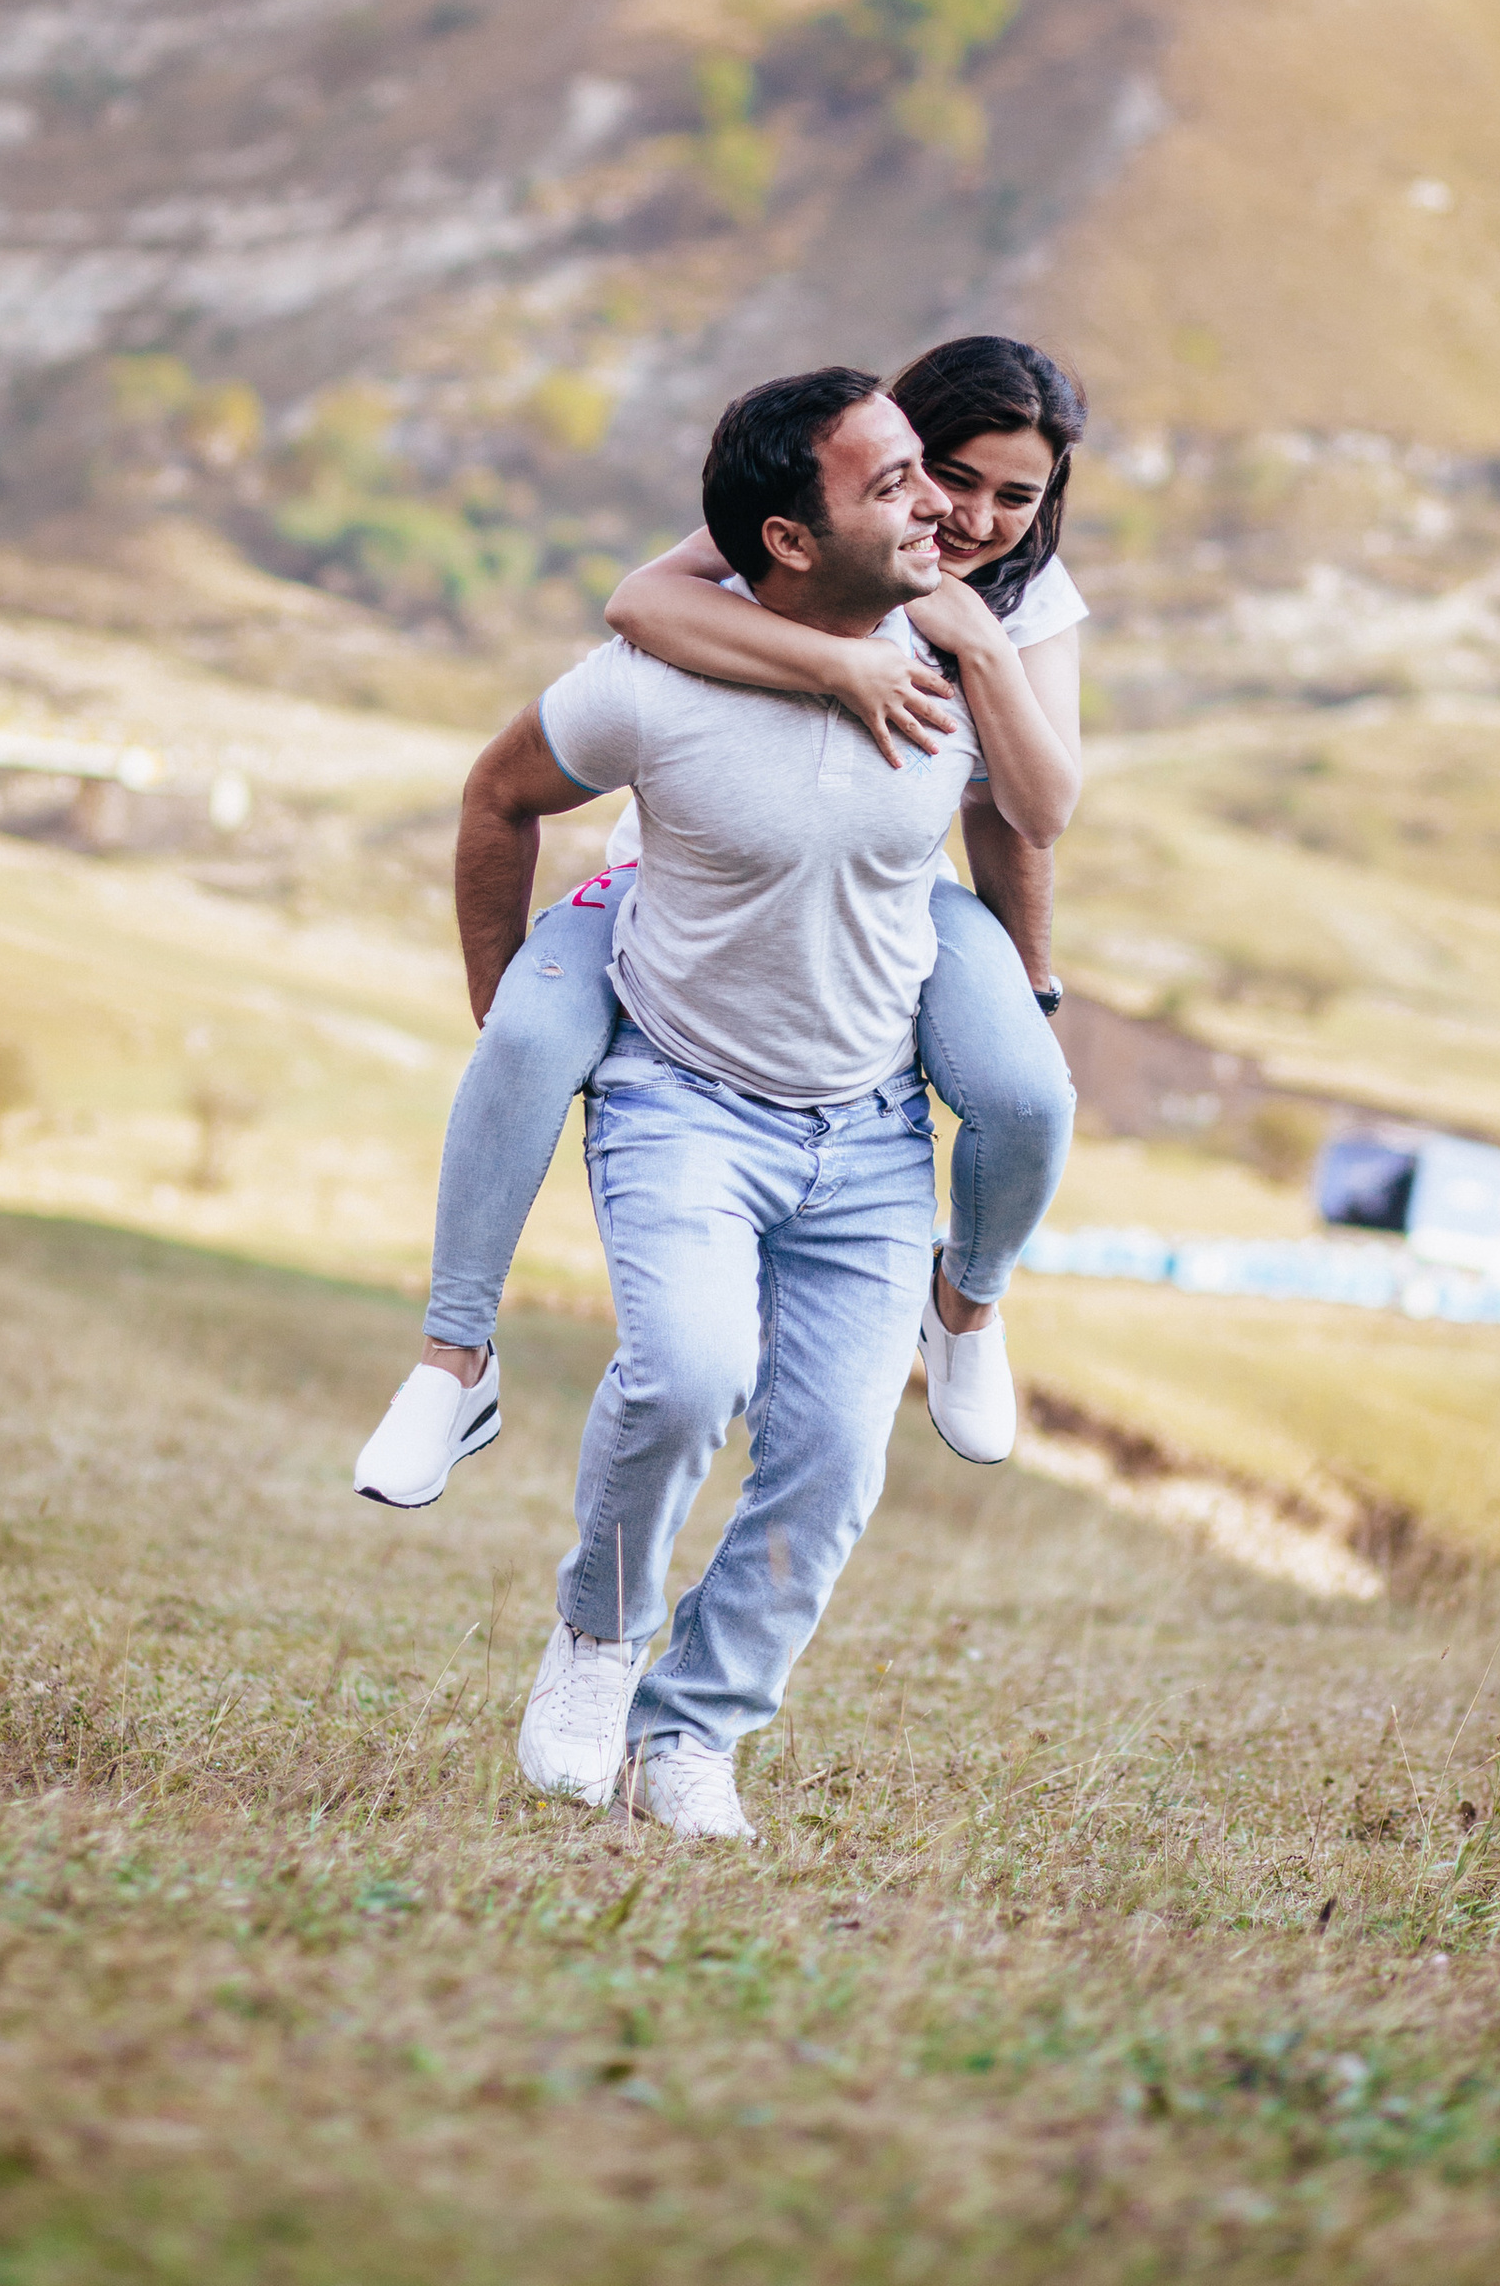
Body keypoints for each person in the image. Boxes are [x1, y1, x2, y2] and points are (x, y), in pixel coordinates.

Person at [352, 336, 1087, 1518]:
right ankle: (452, 1360)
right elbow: (638, 603)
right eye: (945, 473)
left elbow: (1033, 812)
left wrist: (980, 638)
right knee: (526, 1041)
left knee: (1029, 1094)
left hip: (889, 889)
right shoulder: (826, 513)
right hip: (683, 875)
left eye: (1017, 495)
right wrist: (837, 669)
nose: (970, 515)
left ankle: (966, 1304)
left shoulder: (1021, 599)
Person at [451, 368, 995, 1837]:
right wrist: (510, 1019)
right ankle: (600, 1637)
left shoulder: (955, 659)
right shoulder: (656, 681)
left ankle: (692, 1737)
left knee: (832, 1455)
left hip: (873, 1131)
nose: (937, 504)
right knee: (686, 1376)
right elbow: (497, 797)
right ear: (791, 540)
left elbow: (1025, 832)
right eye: (890, 485)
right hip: (682, 1103)